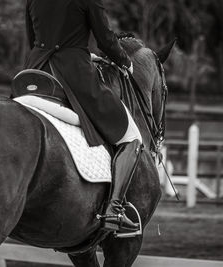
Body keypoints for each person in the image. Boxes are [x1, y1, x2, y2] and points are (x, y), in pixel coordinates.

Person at [24, 0, 143, 233]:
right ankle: (114, 210)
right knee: (130, 136)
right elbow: (106, 39)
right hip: (73, 75)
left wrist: (83, 53)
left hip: (35, 72)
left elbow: (34, 38)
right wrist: (125, 61)